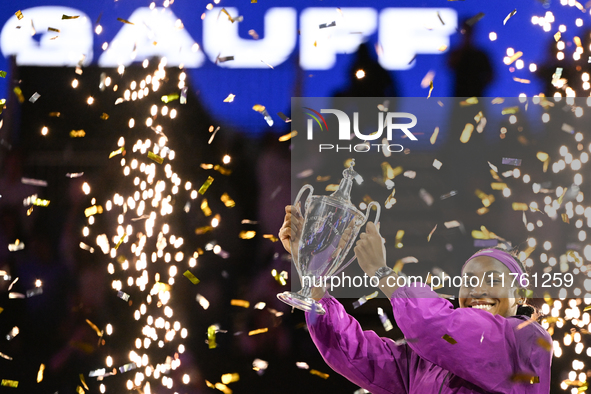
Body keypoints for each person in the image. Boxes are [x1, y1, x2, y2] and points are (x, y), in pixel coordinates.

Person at [279, 206, 552, 393]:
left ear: (519, 294)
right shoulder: (424, 358)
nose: (477, 290)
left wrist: (381, 271)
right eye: (468, 282)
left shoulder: (526, 342)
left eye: (492, 281)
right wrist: (311, 270)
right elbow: (354, 354)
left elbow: (437, 325)